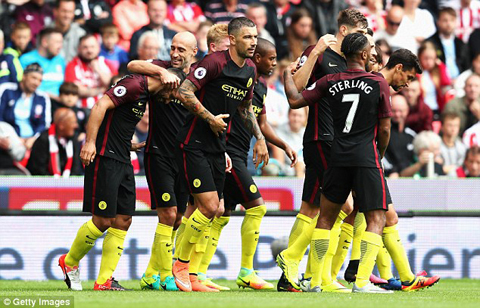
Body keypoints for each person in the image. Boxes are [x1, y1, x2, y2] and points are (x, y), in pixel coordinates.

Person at [282, 42, 439, 292]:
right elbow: (385, 128)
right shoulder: (378, 84)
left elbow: (294, 100)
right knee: (376, 218)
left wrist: (286, 76)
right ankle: (363, 281)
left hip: (337, 156)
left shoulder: (330, 80)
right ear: (364, 54)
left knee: (326, 217)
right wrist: (379, 155)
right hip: (366, 158)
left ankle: (314, 281)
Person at [58, 68, 184, 291]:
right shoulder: (135, 85)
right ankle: (68, 262)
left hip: (123, 156)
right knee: (103, 220)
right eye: (177, 93)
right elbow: (99, 106)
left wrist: (128, 145)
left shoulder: (144, 95)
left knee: (124, 218)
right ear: (170, 84)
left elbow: (116, 121)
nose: (175, 99)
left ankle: (104, 281)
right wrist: (90, 142)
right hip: (105, 157)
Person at [172, 17, 268, 292]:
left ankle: (190, 274)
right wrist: (209, 117)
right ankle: (180, 265)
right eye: (248, 37)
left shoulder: (250, 69)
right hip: (193, 142)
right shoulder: (214, 62)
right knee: (210, 208)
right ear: (233, 39)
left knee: (216, 211)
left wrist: (259, 139)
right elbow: (183, 91)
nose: (253, 42)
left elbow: (245, 108)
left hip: (217, 145)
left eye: (255, 37)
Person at [277, 8, 368, 293]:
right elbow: (298, 86)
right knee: (343, 208)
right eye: (360, 33)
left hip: (338, 140)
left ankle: (299, 274)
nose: (363, 39)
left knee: (312, 207)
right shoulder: (318, 53)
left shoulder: (352, 62)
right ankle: (310, 270)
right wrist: (315, 52)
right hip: (321, 137)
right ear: (344, 30)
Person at [202, 38, 297, 291]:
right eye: (270, 57)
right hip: (228, 151)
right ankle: (246, 271)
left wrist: (279, 144)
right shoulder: (233, 80)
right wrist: (222, 149)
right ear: (256, 59)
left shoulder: (261, 87)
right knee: (257, 207)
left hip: (240, 152)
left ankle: (199, 272)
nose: (274, 62)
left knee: (222, 215)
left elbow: (262, 123)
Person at [128, 32, 198, 292]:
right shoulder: (162, 68)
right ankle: (167, 274)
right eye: (172, 48)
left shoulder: (199, 76)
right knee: (167, 214)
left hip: (185, 156)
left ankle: (150, 274)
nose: (175, 53)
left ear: (194, 51)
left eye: (181, 49)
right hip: (158, 153)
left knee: (178, 218)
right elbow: (132, 65)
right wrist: (161, 73)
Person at [0, 63, 51, 151]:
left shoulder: (42, 98)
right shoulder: (6, 90)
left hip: (32, 142)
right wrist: (12, 138)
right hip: (8, 138)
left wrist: (33, 139)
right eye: (33, 78)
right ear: (24, 76)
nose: (36, 83)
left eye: (40, 80)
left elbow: (44, 123)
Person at [65, 34, 116, 109]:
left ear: (98, 48)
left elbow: (114, 85)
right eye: (85, 47)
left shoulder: (106, 63)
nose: (89, 50)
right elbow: (75, 90)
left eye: (92, 47)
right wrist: (101, 89)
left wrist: (98, 70)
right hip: (82, 109)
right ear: (79, 49)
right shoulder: (72, 65)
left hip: (106, 109)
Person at [26, 108, 82, 176]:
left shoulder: (74, 139)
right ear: (61, 125)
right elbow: (39, 170)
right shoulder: (43, 140)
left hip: (69, 183)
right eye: (73, 122)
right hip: (45, 184)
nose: (76, 126)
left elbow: (76, 167)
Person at [19, 28, 65, 101]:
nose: (60, 46)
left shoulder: (60, 60)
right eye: (57, 42)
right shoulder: (26, 59)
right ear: (45, 42)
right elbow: (21, 85)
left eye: (61, 42)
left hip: (59, 104)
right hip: (35, 101)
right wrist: (52, 97)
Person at [426, 7, 470, 81]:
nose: (449, 24)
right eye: (445, 20)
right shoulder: (430, 43)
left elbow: (466, 65)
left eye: (452, 20)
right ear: (438, 22)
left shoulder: (461, 44)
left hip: (459, 81)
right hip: (438, 81)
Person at [383, 95, 417, 178]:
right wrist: (392, 171)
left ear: (407, 110)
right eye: (394, 111)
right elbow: (380, 154)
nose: (397, 114)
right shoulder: (383, 133)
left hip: (409, 178)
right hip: (389, 177)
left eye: (401, 111)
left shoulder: (411, 135)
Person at [416, 41, 452, 115]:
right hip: (421, 111)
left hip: (436, 109)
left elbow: (446, 84)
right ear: (419, 57)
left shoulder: (437, 72)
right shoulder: (417, 74)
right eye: (426, 58)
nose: (429, 62)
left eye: (432, 58)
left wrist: (441, 66)